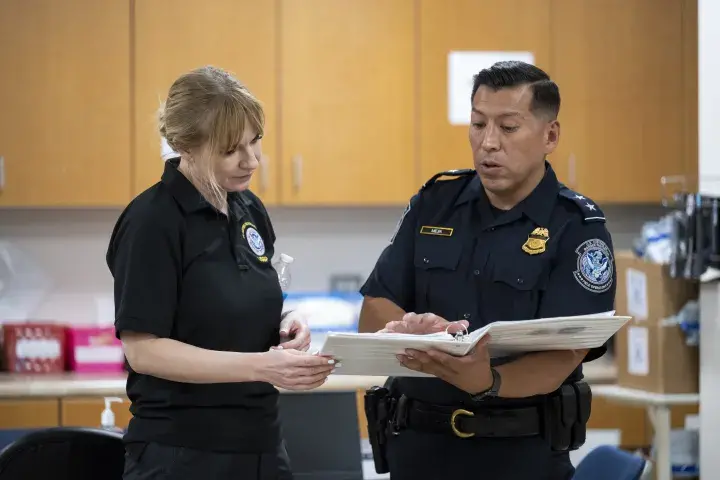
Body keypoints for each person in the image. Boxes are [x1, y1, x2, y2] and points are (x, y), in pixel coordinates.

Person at [358, 61, 616, 480]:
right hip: (418, 447)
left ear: (550, 135)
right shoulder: (434, 203)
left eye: (508, 127)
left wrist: (486, 379)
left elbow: (568, 352)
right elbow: (374, 308)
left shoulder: (576, 226)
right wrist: (418, 332)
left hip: (518, 453)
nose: (488, 143)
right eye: (478, 124)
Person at [106, 65, 336, 480]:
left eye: (256, 142)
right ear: (184, 146)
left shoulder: (248, 208)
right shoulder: (153, 221)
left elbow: (243, 303)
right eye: (232, 149)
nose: (252, 161)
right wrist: (262, 366)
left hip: (262, 445)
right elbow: (143, 351)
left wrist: (287, 324)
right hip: (181, 453)